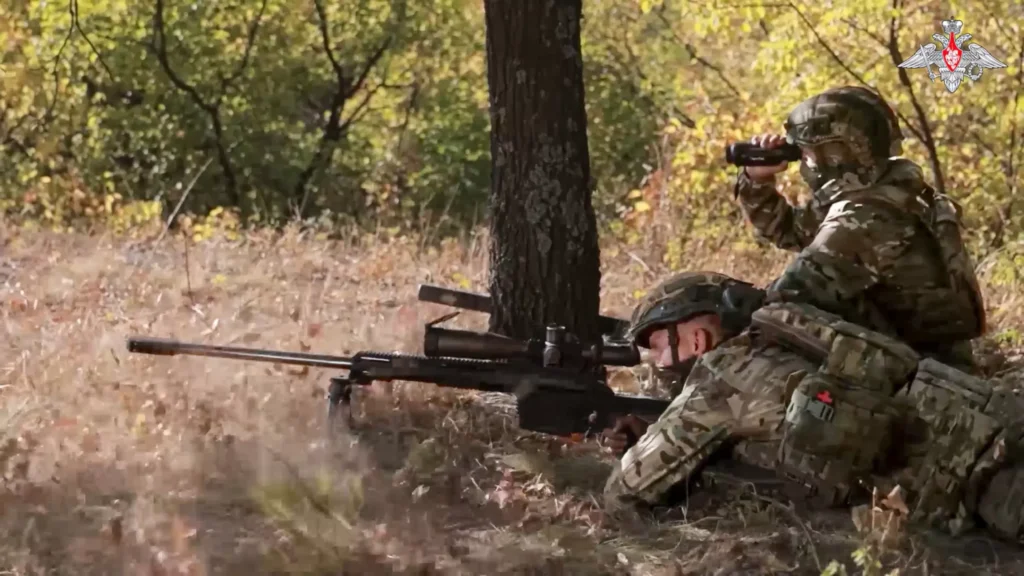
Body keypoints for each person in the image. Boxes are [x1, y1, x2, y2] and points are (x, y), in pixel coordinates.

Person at [602, 271, 1024, 544]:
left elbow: (624, 493)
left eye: (658, 344)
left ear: (695, 336)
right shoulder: (788, 321)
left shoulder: (719, 379)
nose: (658, 361)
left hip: (982, 489)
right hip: (995, 415)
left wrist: (628, 449)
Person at [733, 85, 986, 371]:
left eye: (806, 154)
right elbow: (790, 229)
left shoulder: (864, 217)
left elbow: (784, 298)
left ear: (836, 154)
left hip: (917, 382)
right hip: (929, 364)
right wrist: (756, 180)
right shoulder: (891, 190)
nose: (803, 164)